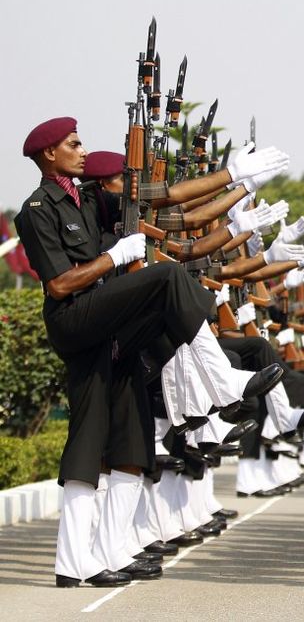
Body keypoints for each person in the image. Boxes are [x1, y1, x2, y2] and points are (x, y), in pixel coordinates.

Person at [15, 117, 288, 588]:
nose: (82, 150)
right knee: (165, 281)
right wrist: (113, 258)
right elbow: (60, 284)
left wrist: (235, 182)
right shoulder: (37, 209)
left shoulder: (91, 202)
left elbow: (172, 206)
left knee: (129, 444)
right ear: (48, 155)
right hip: (76, 320)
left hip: (109, 326)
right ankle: (220, 385)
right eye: (73, 144)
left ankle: (107, 555)